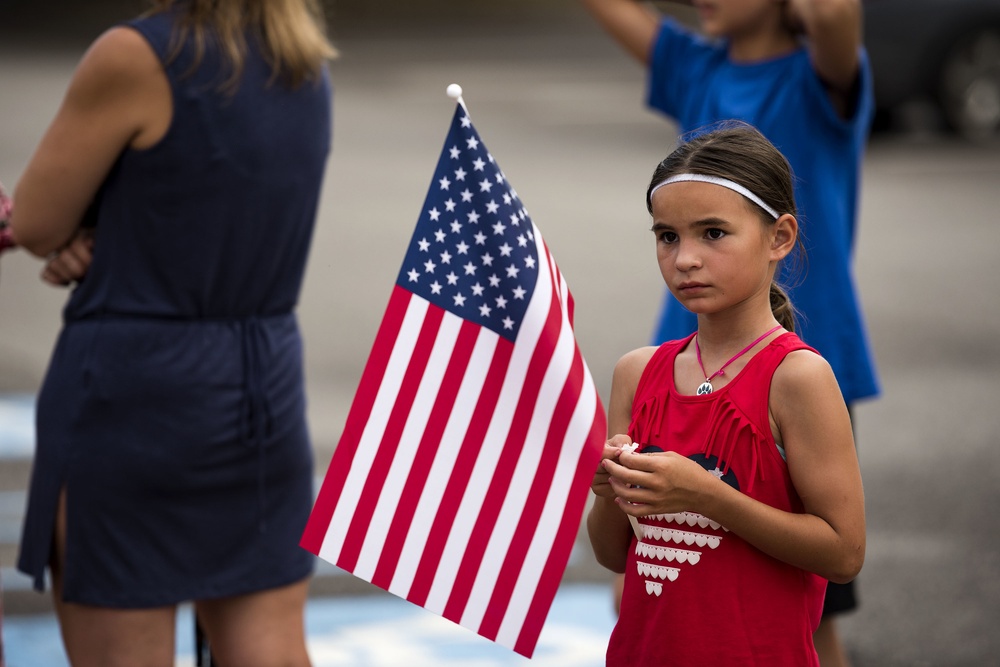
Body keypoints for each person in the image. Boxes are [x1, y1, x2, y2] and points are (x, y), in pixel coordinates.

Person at [9, 0, 335, 664]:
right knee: (267, 643)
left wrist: (87, 231)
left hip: (137, 390)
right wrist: (115, 231)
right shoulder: (303, 63)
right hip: (264, 385)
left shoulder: (138, 55)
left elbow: (39, 221)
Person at [579, 1, 878, 662]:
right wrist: (608, 495)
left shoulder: (799, 377)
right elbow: (613, 552)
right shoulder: (637, 371)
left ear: (780, 238)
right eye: (667, 236)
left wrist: (710, 497)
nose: (685, 257)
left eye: (713, 234)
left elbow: (843, 551)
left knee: (824, 626)